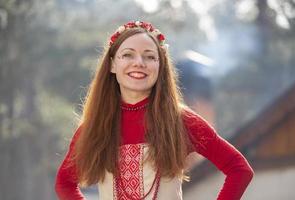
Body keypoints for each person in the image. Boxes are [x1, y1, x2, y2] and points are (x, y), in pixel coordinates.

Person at [55, 21, 254, 200]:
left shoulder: (182, 121)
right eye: (128, 55)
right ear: (113, 64)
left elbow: (239, 169)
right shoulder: (95, 127)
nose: (139, 62)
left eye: (149, 56)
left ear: (160, 66)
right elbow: (64, 184)